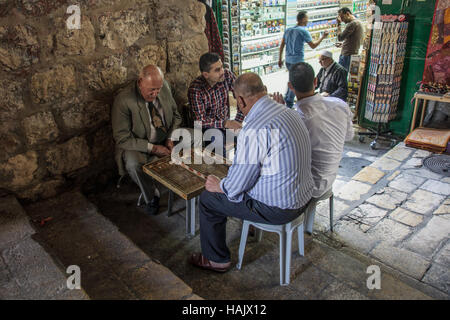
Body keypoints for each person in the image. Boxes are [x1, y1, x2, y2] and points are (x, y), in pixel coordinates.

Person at [188, 73, 314, 272]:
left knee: (209, 199)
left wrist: (218, 185)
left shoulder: (254, 128)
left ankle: (216, 259)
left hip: (280, 208)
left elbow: (236, 187)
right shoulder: (288, 112)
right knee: (246, 176)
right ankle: (253, 224)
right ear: (263, 90)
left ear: (240, 100)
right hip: (305, 197)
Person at [274, 62, 353, 234]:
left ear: (290, 87)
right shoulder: (340, 104)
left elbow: (281, 153)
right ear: (316, 81)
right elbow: (349, 136)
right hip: (331, 177)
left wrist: (280, 114)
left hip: (308, 187)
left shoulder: (297, 117)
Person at [111, 65, 182, 216]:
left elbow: (176, 116)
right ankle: (151, 195)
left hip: (165, 136)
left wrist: (171, 138)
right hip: (139, 143)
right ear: (140, 82)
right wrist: (154, 148)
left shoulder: (164, 88)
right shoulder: (124, 100)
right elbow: (122, 138)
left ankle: (187, 183)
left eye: (159, 88)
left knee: (196, 137)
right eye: (152, 90)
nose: (156, 93)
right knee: (133, 163)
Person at [188, 52, 244, 156]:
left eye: (222, 67)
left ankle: (239, 168)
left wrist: (237, 121)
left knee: (246, 136)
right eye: (217, 70)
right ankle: (222, 171)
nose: (222, 71)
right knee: (217, 140)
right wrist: (225, 123)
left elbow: (242, 98)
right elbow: (200, 122)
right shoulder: (196, 89)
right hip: (208, 128)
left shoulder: (227, 75)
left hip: (226, 124)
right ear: (206, 74)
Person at [278, 10, 329, 108]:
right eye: (306, 19)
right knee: (296, 83)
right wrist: (323, 36)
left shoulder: (288, 30)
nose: (307, 21)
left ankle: (287, 99)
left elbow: (281, 46)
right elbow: (313, 45)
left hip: (288, 60)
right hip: (297, 62)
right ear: (302, 19)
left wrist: (280, 59)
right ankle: (289, 103)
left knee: (292, 80)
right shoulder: (303, 31)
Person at [336, 7, 364, 72]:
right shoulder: (358, 22)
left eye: (342, 17)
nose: (342, 20)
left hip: (347, 56)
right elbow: (354, 40)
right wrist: (344, 45)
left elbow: (340, 38)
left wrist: (338, 24)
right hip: (353, 55)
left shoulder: (352, 24)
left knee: (340, 76)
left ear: (348, 14)